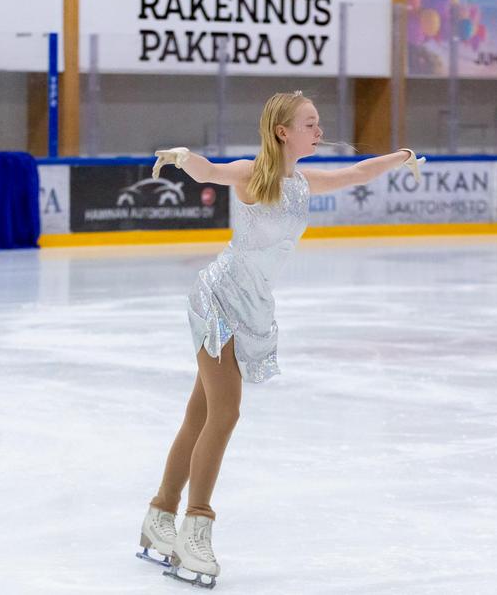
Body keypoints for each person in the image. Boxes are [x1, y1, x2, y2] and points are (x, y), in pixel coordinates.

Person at [136, 91, 424, 588]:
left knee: (200, 416)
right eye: (310, 124)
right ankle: (195, 526)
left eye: (318, 123)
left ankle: (160, 515)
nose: (319, 131)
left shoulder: (304, 181)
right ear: (282, 131)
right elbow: (210, 172)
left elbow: (357, 173)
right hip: (218, 298)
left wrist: (401, 156)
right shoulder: (253, 174)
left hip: (252, 304)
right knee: (225, 413)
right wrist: (184, 158)